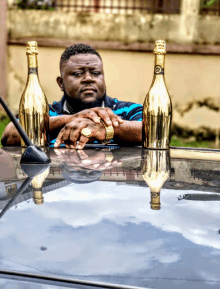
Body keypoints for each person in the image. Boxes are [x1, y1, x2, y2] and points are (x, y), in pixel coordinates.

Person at [1, 43, 143, 149]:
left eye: (96, 73)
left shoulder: (128, 111)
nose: (89, 78)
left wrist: (105, 129)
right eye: (77, 74)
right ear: (61, 83)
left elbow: (154, 131)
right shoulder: (47, 114)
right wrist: (72, 119)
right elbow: (9, 135)